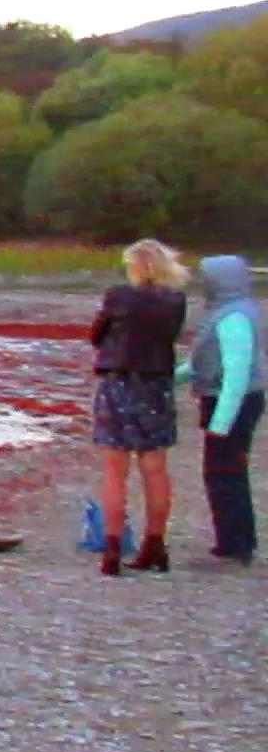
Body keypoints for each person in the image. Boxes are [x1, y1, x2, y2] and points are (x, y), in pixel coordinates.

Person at [89, 239, 189, 575]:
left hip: (118, 382)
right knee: (155, 469)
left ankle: (112, 549)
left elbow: (96, 334)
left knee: (115, 471)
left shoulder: (119, 296)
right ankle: (155, 544)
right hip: (155, 385)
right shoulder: (175, 301)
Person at [178, 255, 265, 566]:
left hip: (235, 402)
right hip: (232, 398)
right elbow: (206, 360)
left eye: (207, 278)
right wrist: (176, 376)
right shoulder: (230, 311)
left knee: (224, 472)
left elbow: (237, 372)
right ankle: (236, 539)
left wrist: (221, 421)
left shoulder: (234, 317)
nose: (203, 284)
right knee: (226, 470)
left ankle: (235, 544)